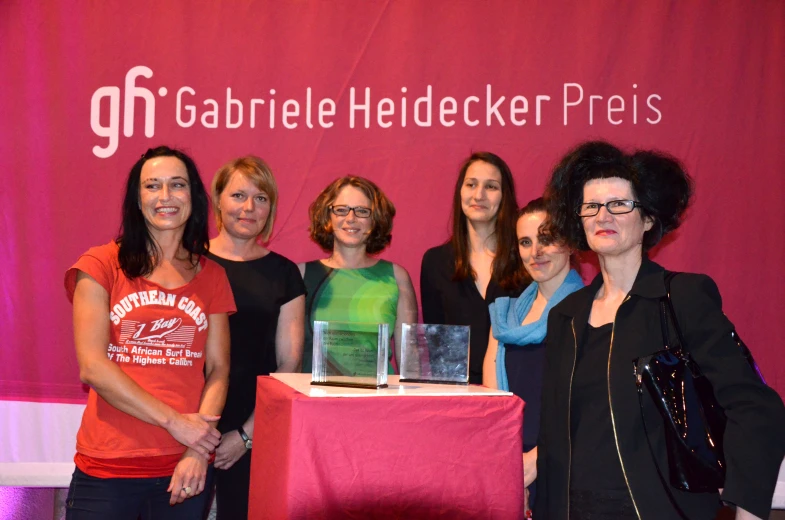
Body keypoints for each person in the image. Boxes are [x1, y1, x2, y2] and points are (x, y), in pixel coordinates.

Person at [535, 141, 785, 520]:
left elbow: (755, 406)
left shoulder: (680, 297)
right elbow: (555, 434)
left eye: (620, 204)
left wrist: (747, 508)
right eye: (592, 206)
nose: (604, 216)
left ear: (648, 218)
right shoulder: (566, 316)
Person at [64, 146, 236, 519]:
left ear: (193, 197)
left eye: (177, 185)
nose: (165, 197)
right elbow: (92, 367)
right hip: (108, 467)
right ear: (137, 200)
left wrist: (196, 450)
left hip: (183, 468)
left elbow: (219, 369)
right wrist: (176, 423)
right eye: (152, 186)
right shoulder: (100, 264)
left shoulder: (213, 276)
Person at [207, 156, 305, 519]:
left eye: (261, 198)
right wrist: (191, 429)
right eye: (238, 195)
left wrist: (246, 436)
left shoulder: (284, 273)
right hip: (186, 425)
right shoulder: (187, 263)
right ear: (218, 200)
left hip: (254, 429)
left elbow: (289, 364)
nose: (249, 208)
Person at [483, 197, 584, 510]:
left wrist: (535, 461)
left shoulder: (588, 311)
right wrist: (508, 465)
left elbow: (588, 405)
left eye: (547, 239)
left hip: (564, 463)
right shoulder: (505, 317)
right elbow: (493, 400)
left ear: (569, 243)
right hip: (510, 458)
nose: (535, 252)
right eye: (526, 242)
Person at [421, 152, 527, 384]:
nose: (479, 195)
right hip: (457, 396)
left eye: (491, 186)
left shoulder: (526, 259)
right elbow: (436, 346)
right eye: (471, 184)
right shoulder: (436, 262)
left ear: (504, 196)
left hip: (515, 388)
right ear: (460, 191)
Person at [299, 176, 417, 374]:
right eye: (341, 210)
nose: (351, 218)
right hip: (314, 399)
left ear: (375, 219)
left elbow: (410, 362)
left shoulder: (396, 277)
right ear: (328, 216)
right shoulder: (301, 275)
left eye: (362, 211)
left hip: (378, 402)